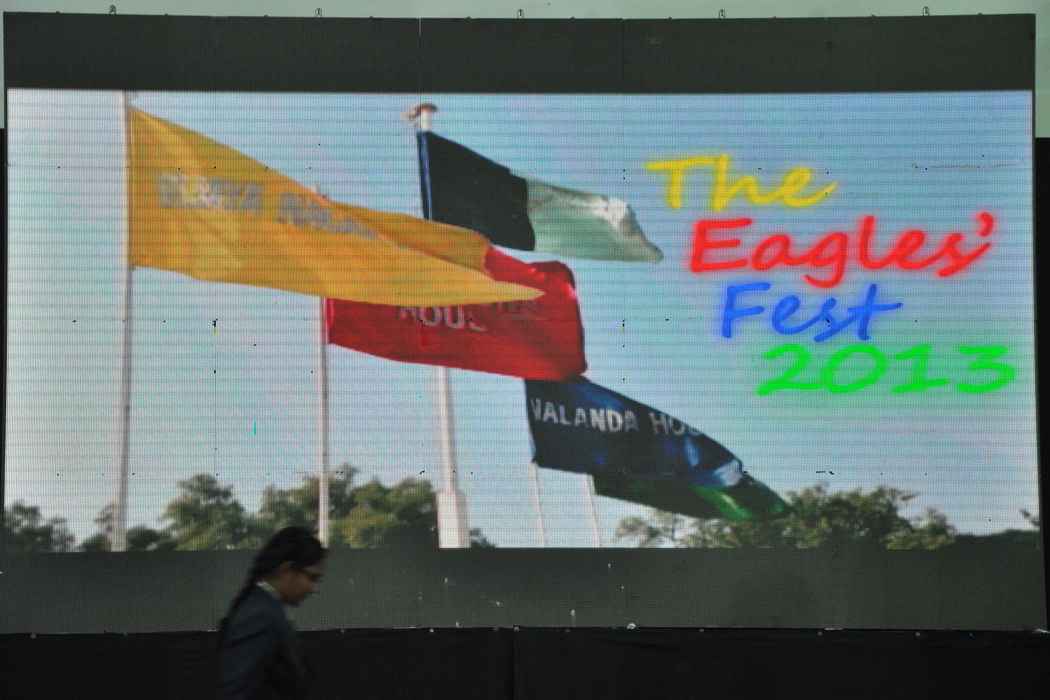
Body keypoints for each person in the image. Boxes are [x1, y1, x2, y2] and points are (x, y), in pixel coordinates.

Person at [217, 526, 327, 699]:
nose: (313, 588)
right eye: (311, 578)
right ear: (286, 570)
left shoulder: (264, 609)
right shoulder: (260, 616)